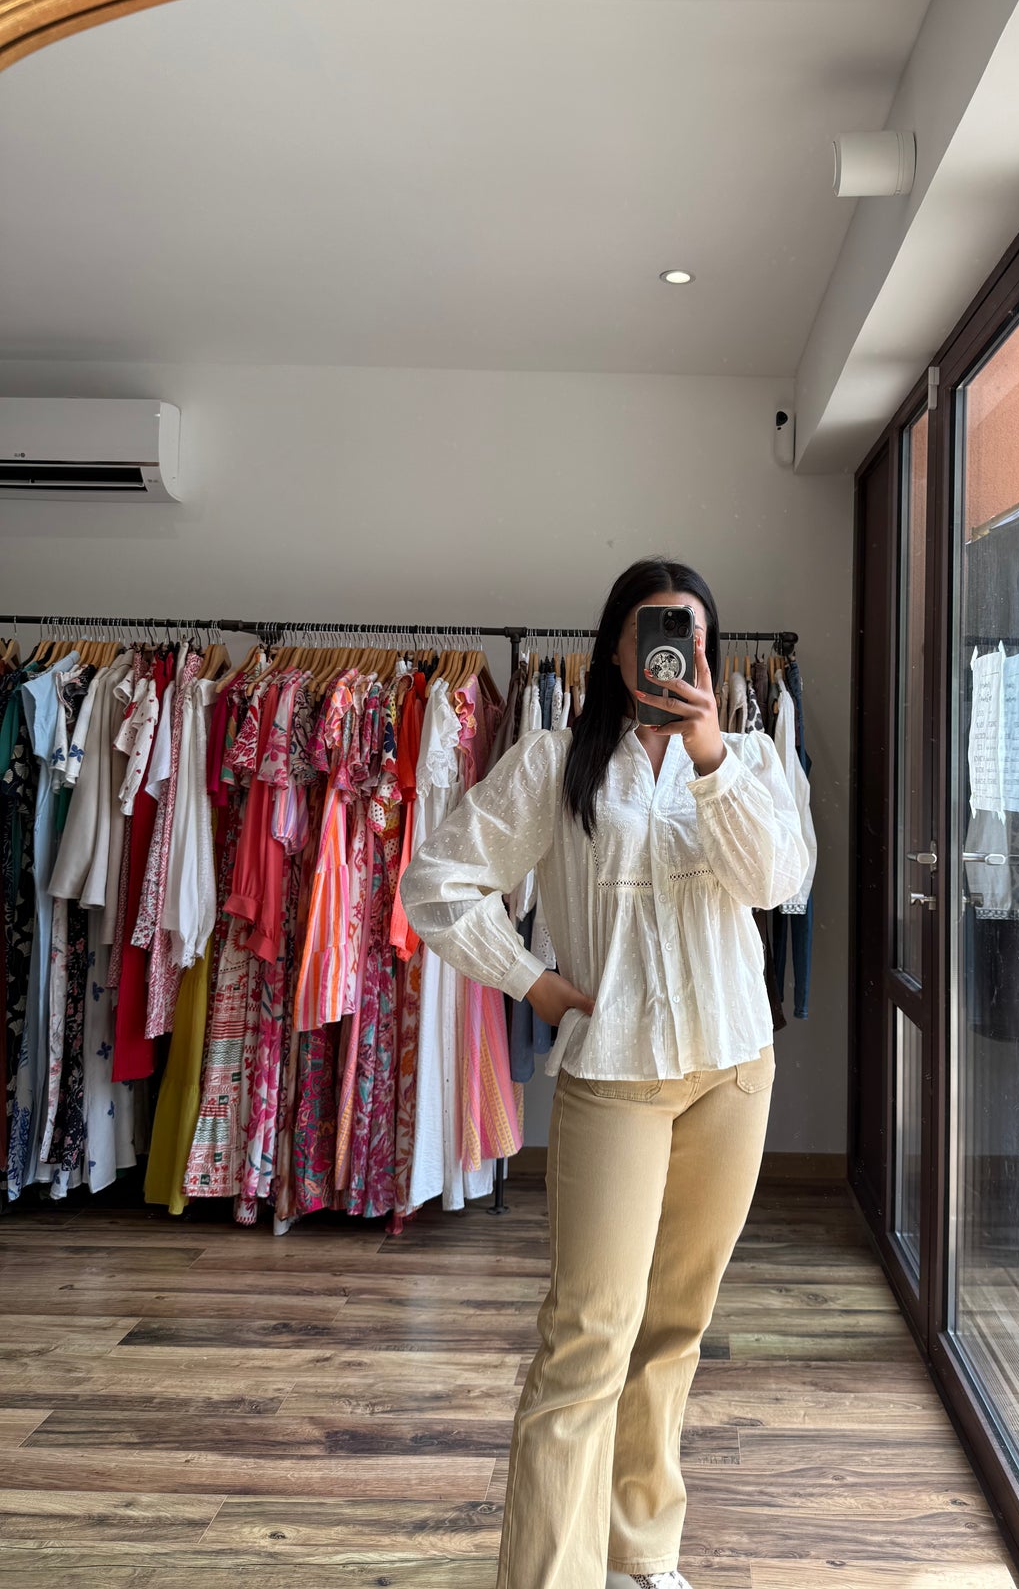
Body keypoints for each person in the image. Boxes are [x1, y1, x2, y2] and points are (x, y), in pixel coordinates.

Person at [401, 557, 809, 1589]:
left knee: (675, 1330)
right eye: (656, 630)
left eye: (695, 635)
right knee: (587, 1338)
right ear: (616, 648)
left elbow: (780, 882)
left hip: (734, 1072)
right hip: (616, 1073)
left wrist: (710, 755)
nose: (677, 651)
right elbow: (436, 882)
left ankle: (641, 1554)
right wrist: (531, 980)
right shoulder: (553, 762)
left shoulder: (751, 756)